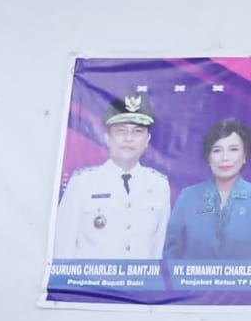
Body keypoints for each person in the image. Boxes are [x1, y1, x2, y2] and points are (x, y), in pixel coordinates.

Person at [52, 92, 171, 260]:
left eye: (137, 132)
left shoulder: (159, 185)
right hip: (91, 284)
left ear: (147, 140)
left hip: (140, 284)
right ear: (107, 138)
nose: (128, 138)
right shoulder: (82, 183)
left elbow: (159, 248)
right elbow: (63, 247)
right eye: (121, 131)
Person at [163, 119, 251, 261]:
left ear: (245, 156)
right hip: (192, 282)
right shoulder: (188, 196)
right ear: (208, 158)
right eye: (217, 150)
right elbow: (171, 250)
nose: (225, 158)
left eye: (233, 149)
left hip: (242, 283)